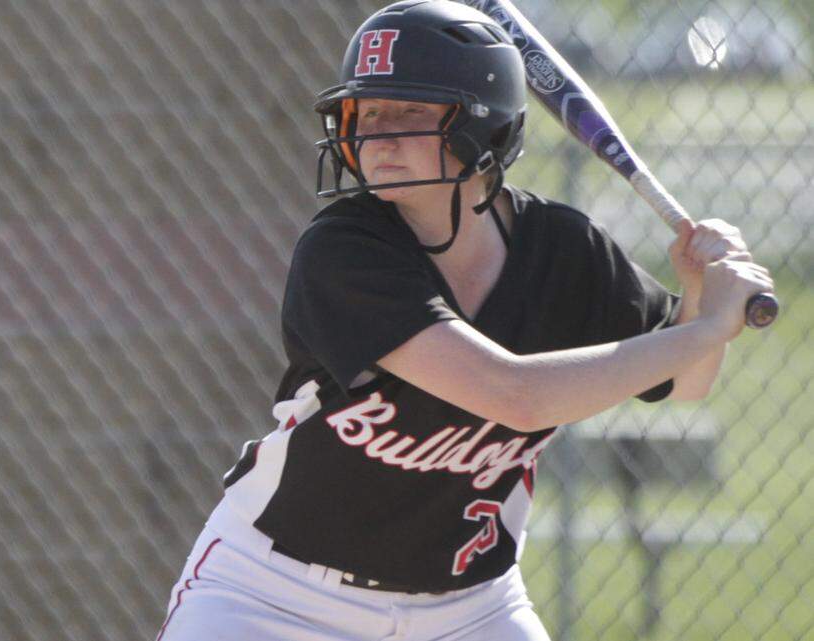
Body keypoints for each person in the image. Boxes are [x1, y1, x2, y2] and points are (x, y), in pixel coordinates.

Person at [155, 1, 774, 640]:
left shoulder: (564, 250)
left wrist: (699, 297)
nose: (377, 135)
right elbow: (516, 396)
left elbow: (686, 382)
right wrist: (705, 329)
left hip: (470, 610)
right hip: (274, 598)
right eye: (367, 113)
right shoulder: (345, 250)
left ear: (482, 130)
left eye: (411, 112)